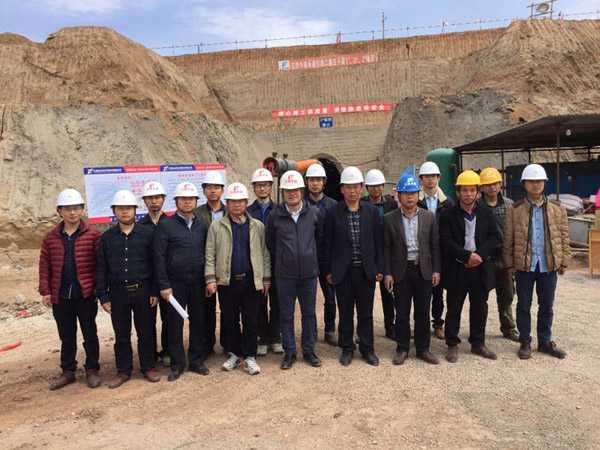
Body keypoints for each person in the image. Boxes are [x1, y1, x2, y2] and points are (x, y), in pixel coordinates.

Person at [503, 164, 570, 360]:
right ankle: (525, 341)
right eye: (531, 181)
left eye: (539, 181)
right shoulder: (514, 209)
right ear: (524, 184)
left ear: (545, 183)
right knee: (524, 305)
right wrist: (509, 263)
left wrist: (563, 261)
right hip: (525, 265)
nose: (535, 184)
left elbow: (563, 235)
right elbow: (508, 238)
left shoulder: (558, 208)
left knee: (547, 305)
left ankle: (545, 341)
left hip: (548, 265)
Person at [39, 189, 102, 390]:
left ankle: (92, 369)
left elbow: (100, 264)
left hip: (85, 294)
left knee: (90, 333)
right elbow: (45, 266)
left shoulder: (93, 235)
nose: (72, 212)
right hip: (61, 295)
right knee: (66, 336)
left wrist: (98, 289)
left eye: (76, 208)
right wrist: (45, 290)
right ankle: (68, 371)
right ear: (59, 211)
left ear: (82, 209)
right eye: (67, 209)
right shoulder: (50, 238)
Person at [205, 183, 271, 375]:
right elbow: (210, 254)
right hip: (227, 281)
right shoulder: (217, 226)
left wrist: (266, 279)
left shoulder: (257, 226)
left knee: (251, 320)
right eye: (233, 201)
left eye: (240, 201)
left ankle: (250, 356)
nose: (237, 204)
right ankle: (234, 353)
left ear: (246, 202)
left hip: (251, 281)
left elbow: (265, 254)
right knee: (230, 319)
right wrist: (210, 278)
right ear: (227, 202)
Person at [97, 190, 160, 388]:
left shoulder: (148, 234)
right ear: (114, 211)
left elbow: (156, 265)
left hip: (143, 291)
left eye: (129, 208)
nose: (125, 212)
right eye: (120, 208)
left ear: (135, 210)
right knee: (121, 335)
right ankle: (123, 371)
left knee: (146, 332)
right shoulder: (107, 238)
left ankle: (148, 367)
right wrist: (103, 295)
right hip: (118, 293)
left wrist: (155, 291)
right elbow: (101, 268)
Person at [323, 166, 384, 367]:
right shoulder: (333, 213)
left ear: (361, 188)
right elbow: (327, 244)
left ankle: (367, 349)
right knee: (346, 311)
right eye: (348, 187)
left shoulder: (372, 212)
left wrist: (379, 268)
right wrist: (328, 270)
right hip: (343, 271)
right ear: (341, 189)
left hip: (365, 270)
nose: (352, 191)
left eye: (356, 186)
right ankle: (347, 348)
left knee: (366, 312)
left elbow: (378, 242)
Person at [439, 170, 501, 363]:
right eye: (464, 190)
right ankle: (452, 343)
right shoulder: (448, 215)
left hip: (480, 268)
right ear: (458, 193)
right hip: (457, 267)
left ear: (478, 192)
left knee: (480, 308)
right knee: (454, 307)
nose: (468, 194)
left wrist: (478, 256)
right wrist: (467, 256)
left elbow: (494, 237)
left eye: (472, 190)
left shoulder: (486, 213)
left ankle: (478, 343)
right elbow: (446, 240)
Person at [265, 170, 323, 370]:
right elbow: (270, 242)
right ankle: (289, 351)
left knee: (309, 313)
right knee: (286, 315)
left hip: (308, 274)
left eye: (295, 189)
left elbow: (319, 239)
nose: (292, 193)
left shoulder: (313, 213)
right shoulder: (275, 215)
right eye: (288, 190)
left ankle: (309, 350)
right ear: (283, 192)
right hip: (285, 275)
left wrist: (310, 257)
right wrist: (284, 257)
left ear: (301, 190)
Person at [383, 166, 441, 365]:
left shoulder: (428, 217)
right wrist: (388, 274)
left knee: (423, 312)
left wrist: (436, 270)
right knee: (402, 312)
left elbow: (434, 245)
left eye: (413, 193)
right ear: (399, 195)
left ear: (418, 194)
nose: (409, 197)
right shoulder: (389, 219)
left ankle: (423, 348)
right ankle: (402, 348)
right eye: (405, 193)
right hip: (401, 271)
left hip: (423, 269)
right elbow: (386, 248)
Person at [154, 182, 209, 381]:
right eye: (183, 198)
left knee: (198, 322)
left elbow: (207, 253)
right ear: (176, 201)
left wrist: (208, 279)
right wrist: (164, 284)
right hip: (175, 284)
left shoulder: (201, 226)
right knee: (174, 324)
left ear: (196, 201)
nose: (187, 202)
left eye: (191, 198)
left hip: (198, 282)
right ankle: (177, 364)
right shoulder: (166, 225)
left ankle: (196, 361)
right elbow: (159, 256)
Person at [477, 168, 519, 341]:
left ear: (500, 184)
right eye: (488, 184)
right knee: (480, 297)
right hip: (484, 259)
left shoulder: (509, 205)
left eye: (495, 183)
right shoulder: (477, 206)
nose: (492, 187)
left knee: (507, 295)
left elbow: (516, 232)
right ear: (482, 187)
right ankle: (479, 330)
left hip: (504, 258)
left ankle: (508, 328)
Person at [247, 168, 283, 356]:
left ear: (270, 187)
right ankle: (263, 337)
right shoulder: (247, 211)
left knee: (277, 302)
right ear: (253, 188)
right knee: (258, 302)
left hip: (277, 263)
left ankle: (275, 336)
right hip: (255, 264)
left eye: (265, 185)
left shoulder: (279, 210)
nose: (262, 188)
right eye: (259, 185)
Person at [417, 161, 454, 340]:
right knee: (420, 290)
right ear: (421, 179)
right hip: (421, 249)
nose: (430, 179)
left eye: (433, 176)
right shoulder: (415, 200)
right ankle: (420, 324)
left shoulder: (447, 201)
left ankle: (438, 323)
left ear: (438, 178)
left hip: (441, 250)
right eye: (427, 176)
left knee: (438, 291)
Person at [304, 163, 338, 346]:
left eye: (318, 180)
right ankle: (312, 330)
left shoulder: (333, 205)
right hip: (308, 258)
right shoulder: (301, 204)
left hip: (327, 259)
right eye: (312, 180)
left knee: (330, 297)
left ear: (324, 182)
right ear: (306, 182)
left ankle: (330, 330)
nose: (315, 183)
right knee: (308, 298)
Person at [194, 170, 228, 356]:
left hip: (226, 266)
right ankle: (208, 344)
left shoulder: (230, 210)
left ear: (222, 190)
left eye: (216, 187)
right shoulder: (197, 213)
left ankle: (228, 343)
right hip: (204, 267)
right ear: (204, 191)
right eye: (209, 187)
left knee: (228, 307)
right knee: (206, 309)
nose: (213, 190)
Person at [362, 168, 398, 340]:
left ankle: (390, 327)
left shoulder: (391, 204)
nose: (375, 189)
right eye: (372, 186)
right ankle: (364, 330)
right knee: (364, 295)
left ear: (383, 186)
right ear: (367, 188)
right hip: (368, 252)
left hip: (387, 251)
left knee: (388, 292)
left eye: (378, 186)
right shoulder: (361, 204)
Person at [138, 181, 170, 367]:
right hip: (147, 281)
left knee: (168, 318)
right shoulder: (139, 226)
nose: (154, 201)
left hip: (167, 280)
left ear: (163, 199)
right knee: (147, 321)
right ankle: (150, 355)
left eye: (157, 197)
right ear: (144, 201)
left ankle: (167, 351)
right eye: (150, 198)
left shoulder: (171, 223)